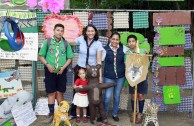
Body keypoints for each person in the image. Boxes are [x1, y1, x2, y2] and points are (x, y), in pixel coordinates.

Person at [38, 23, 73, 123]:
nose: (60, 32)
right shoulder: (47, 42)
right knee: (51, 92)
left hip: (62, 71)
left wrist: (63, 68)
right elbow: (41, 56)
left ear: (63, 32)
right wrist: (48, 65)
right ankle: (51, 114)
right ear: (54, 31)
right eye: (58, 30)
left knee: (60, 92)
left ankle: (62, 114)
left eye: (61, 31)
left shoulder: (66, 44)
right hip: (50, 71)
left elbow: (69, 58)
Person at [69, 24, 104, 119]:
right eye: (88, 31)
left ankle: (89, 113)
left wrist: (100, 76)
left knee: (90, 91)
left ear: (95, 32)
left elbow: (99, 62)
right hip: (80, 68)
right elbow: (70, 42)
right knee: (77, 89)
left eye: (92, 31)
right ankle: (73, 113)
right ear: (85, 32)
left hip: (91, 71)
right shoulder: (81, 39)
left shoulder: (98, 44)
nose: (90, 33)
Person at [103, 32, 128, 122]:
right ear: (110, 39)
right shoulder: (105, 49)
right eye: (113, 39)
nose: (115, 41)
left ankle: (114, 114)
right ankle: (104, 114)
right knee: (107, 96)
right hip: (108, 76)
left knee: (117, 96)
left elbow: (132, 53)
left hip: (120, 77)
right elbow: (99, 61)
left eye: (117, 39)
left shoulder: (123, 48)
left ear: (119, 40)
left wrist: (143, 50)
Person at [125, 35, 149, 124]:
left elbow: (147, 64)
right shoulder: (127, 53)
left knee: (140, 95)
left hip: (142, 76)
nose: (131, 43)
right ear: (128, 43)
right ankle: (133, 112)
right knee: (134, 95)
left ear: (136, 42)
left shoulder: (142, 51)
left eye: (133, 41)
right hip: (132, 77)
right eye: (129, 41)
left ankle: (140, 113)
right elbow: (126, 65)